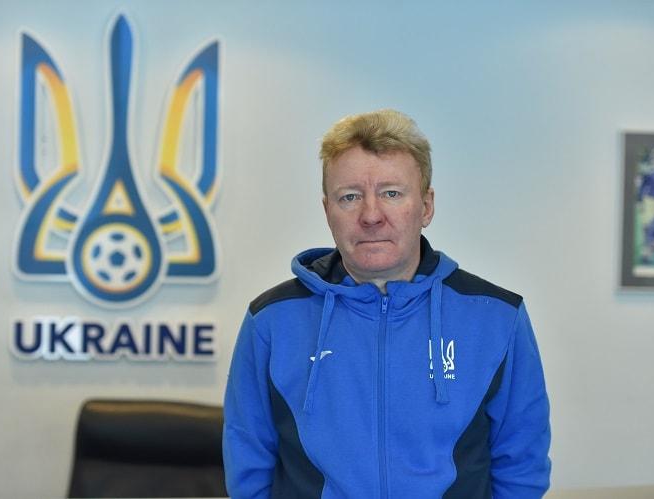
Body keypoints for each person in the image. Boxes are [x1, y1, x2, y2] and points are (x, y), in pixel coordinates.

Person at [223, 109, 551, 498]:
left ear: (426, 206)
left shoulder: (496, 317)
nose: (371, 215)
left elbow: (522, 467)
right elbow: (248, 465)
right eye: (350, 197)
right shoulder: (271, 321)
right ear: (327, 210)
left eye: (391, 193)